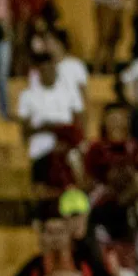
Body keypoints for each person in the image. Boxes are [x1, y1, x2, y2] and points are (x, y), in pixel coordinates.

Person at [16, 52, 84, 196]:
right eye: (44, 70)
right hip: (41, 151)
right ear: (39, 72)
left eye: (51, 69)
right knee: (41, 193)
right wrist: (54, 128)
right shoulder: (27, 95)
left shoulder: (69, 93)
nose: (48, 73)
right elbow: (25, 130)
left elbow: (78, 123)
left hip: (67, 152)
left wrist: (51, 128)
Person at [91, 0, 128, 75]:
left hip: (116, 4)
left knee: (114, 39)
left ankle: (109, 70)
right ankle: (96, 71)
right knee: (104, 38)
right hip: (103, 4)